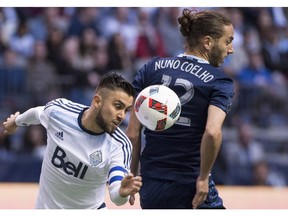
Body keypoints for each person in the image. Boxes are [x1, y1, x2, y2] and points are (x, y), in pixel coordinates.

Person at [126, 8, 234, 209]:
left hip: (151, 184)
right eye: (228, 41)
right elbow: (212, 132)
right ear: (208, 42)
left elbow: (132, 133)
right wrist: (203, 177)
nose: (231, 49)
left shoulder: (151, 68)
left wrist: (132, 174)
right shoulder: (219, 81)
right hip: (190, 183)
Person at [3, 72, 142, 209]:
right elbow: (37, 113)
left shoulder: (120, 145)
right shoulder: (59, 113)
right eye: (118, 106)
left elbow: (116, 194)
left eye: (126, 110)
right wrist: (16, 122)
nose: (122, 116)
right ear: (97, 101)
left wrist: (122, 193)